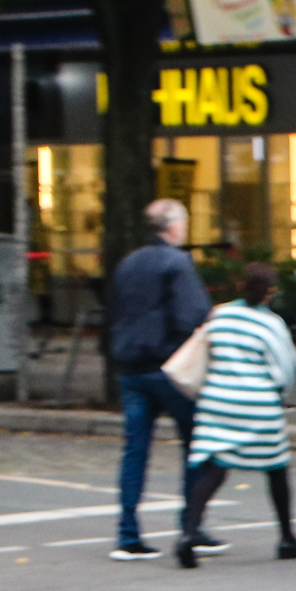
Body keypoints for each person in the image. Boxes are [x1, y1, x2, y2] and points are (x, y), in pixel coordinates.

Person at [174, 263, 296, 569]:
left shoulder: (220, 315)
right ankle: (288, 537)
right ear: (271, 292)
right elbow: (286, 367)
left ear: (240, 285)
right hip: (257, 405)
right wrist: (280, 394)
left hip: (217, 401)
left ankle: (188, 532)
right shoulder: (271, 324)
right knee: (276, 469)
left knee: (213, 470)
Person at [105, 198, 212, 561]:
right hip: (169, 366)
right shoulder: (177, 262)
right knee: (195, 447)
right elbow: (191, 316)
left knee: (135, 450)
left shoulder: (128, 262)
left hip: (130, 366)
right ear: (173, 226)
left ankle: (128, 532)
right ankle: (190, 526)